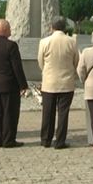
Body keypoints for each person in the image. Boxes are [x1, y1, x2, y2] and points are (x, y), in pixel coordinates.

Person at [0, 19, 28, 148]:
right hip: (10, 85)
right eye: (9, 28)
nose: (11, 31)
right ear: (5, 30)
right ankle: (8, 140)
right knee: (10, 113)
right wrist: (23, 85)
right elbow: (17, 68)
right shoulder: (11, 46)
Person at [37, 16, 79, 149]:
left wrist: (47, 72)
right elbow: (76, 60)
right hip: (66, 82)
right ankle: (60, 141)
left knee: (47, 112)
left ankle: (46, 139)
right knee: (63, 113)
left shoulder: (44, 42)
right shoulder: (71, 42)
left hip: (49, 82)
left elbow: (40, 61)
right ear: (65, 27)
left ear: (51, 27)